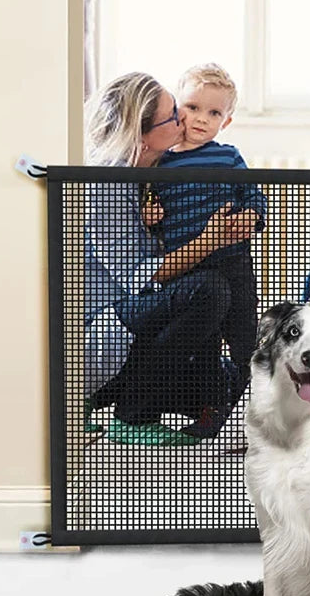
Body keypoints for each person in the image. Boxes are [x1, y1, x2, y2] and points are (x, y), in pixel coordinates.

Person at [84, 72, 247, 446]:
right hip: (107, 332)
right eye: (175, 114)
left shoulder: (154, 174)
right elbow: (140, 277)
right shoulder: (108, 179)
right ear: (143, 137)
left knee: (226, 383)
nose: (185, 121)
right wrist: (209, 241)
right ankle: (130, 415)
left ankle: (111, 400)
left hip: (137, 319)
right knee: (209, 289)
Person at [142, 63, 267, 438]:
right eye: (193, 107)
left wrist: (251, 216)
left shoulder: (228, 157)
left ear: (225, 122)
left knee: (246, 340)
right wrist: (152, 216)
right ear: (177, 107)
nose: (200, 119)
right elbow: (154, 216)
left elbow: (255, 198)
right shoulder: (161, 162)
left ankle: (262, 414)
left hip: (232, 263)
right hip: (191, 271)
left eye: (214, 113)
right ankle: (212, 412)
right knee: (205, 345)